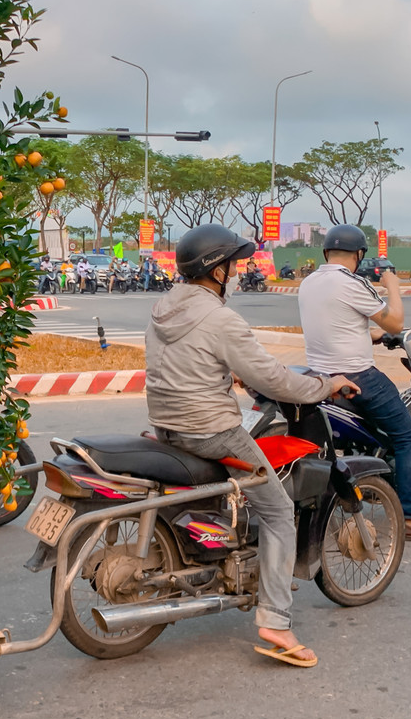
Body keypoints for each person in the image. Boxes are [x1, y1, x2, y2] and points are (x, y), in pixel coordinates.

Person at [147, 224, 360, 668]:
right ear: (217, 269)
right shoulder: (221, 318)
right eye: (233, 264)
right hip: (212, 430)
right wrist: (325, 385)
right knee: (280, 512)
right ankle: (276, 622)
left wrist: (227, 374)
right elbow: (274, 379)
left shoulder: (163, 308)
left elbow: (191, 363)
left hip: (168, 426)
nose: (237, 271)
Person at [298, 225, 411, 542]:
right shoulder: (353, 282)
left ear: (325, 253)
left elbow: (340, 324)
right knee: (408, 437)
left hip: (319, 376)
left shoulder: (309, 282)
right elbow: (396, 321)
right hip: (358, 376)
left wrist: (376, 336)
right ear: (359, 255)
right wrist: (393, 286)